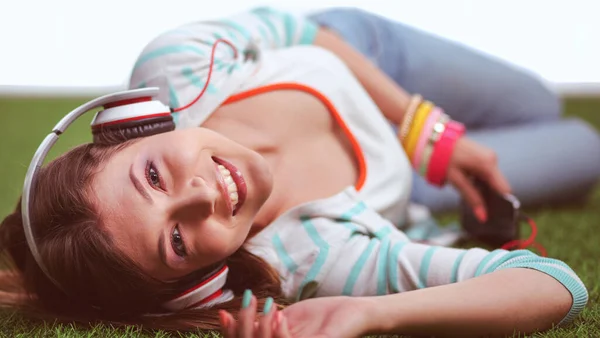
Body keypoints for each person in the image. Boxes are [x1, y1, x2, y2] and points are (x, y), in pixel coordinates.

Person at [0, 6, 595, 337]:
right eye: (177, 241)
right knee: (582, 148)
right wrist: (369, 314)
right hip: (415, 185)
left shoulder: (177, 65)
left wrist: (425, 129)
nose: (202, 197)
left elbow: (304, 34)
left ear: (134, 125)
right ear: (199, 282)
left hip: (367, 60)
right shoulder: (314, 256)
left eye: (153, 177)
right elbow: (556, 285)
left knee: (537, 101)